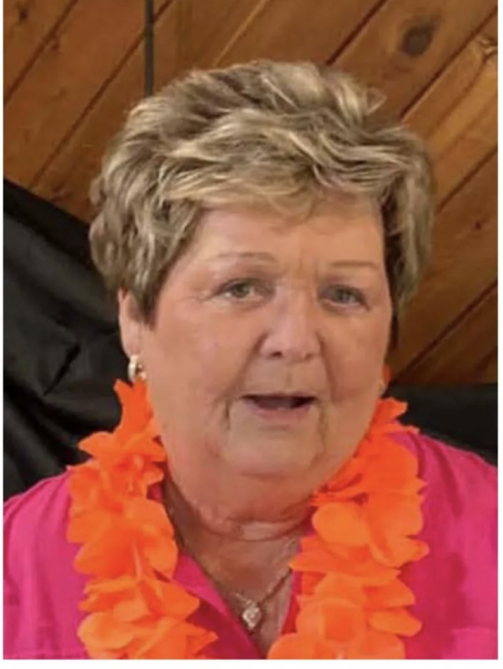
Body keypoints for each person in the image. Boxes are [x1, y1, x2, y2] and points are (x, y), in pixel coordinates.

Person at [3, 60, 496, 660]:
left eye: (344, 294)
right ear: (135, 318)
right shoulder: (17, 569)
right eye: (241, 287)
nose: (296, 339)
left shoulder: (488, 530)